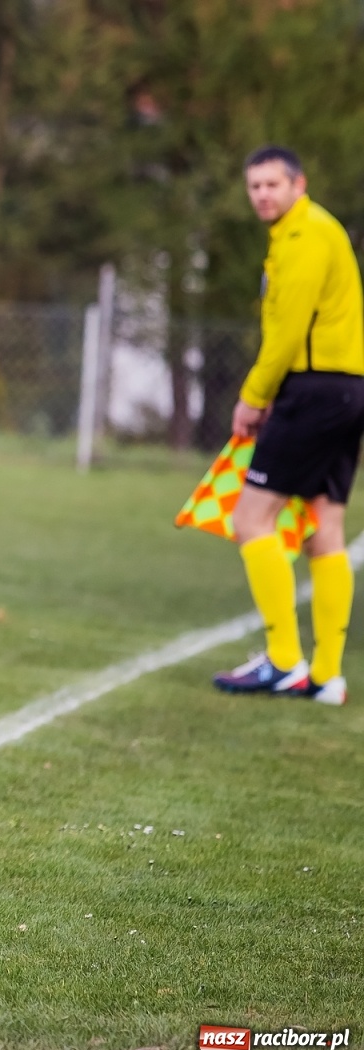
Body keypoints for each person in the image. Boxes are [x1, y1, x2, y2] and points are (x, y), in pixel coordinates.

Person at [212, 146, 364, 705]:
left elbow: (286, 331)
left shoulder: (303, 238)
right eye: (254, 186)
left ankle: (283, 663)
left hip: (315, 388)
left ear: (299, 184)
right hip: (349, 387)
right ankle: (326, 676)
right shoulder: (317, 231)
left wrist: (253, 397)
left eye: (272, 184)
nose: (262, 195)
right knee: (325, 530)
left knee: (251, 519)